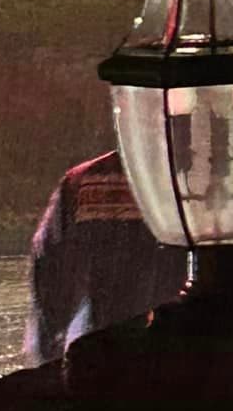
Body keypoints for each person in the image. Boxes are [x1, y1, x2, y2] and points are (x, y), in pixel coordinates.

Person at [25, 149, 187, 365]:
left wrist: (52, 351)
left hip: (105, 349)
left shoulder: (83, 180)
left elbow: (50, 274)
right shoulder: (200, 176)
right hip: (179, 349)